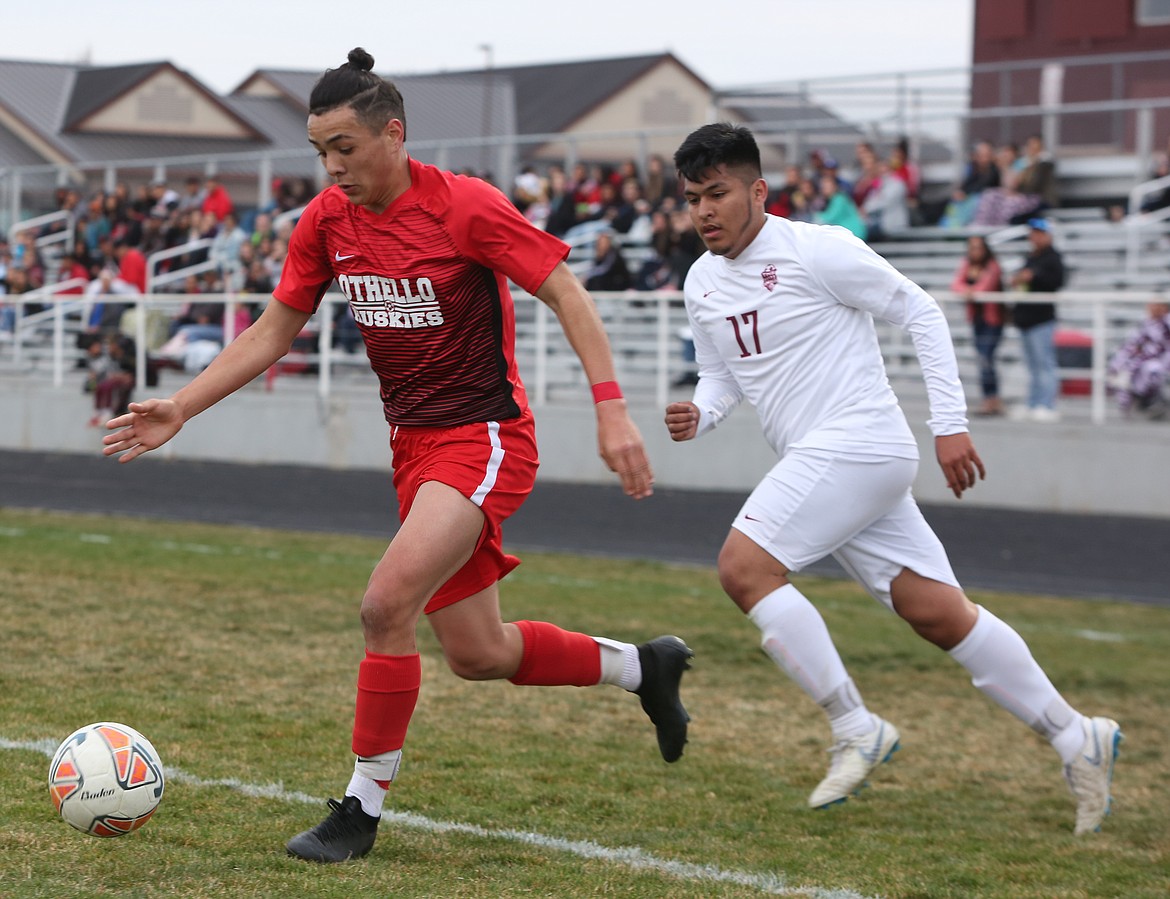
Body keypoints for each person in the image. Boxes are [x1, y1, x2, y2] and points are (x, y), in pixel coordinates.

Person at [101, 47, 692, 864]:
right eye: (320, 151)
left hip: (484, 437)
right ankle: (643, 667)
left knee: (385, 606)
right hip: (413, 450)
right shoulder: (325, 223)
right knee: (479, 653)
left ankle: (360, 808)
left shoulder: (465, 207)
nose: (332, 166)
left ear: (394, 134)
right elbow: (276, 329)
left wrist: (612, 410)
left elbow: (566, 290)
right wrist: (182, 406)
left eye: (344, 147)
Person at [664, 122, 1121, 835]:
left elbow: (921, 308)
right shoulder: (700, 280)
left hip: (859, 442)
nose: (703, 212)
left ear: (757, 190)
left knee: (744, 566)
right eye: (692, 198)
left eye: (717, 194)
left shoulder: (819, 249)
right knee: (937, 612)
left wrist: (950, 422)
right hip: (829, 461)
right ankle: (1076, 736)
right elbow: (723, 376)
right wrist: (700, 411)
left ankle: (856, 726)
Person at [1009, 218, 1065, 422]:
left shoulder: (1052, 258)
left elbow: (1057, 281)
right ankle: (1033, 402)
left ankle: (1046, 404)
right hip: (1026, 318)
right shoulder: (1032, 256)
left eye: (1039, 233)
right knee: (1033, 365)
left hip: (1041, 319)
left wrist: (1033, 277)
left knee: (1044, 364)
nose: (1034, 237)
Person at [950, 236, 1006, 416]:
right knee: (983, 358)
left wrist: (970, 291)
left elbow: (985, 287)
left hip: (993, 319)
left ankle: (992, 397)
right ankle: (989, 398)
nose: (975, 252)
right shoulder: (967, 264)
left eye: (978, 248)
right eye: (972, 248)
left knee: (986, 357)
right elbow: (956, 284)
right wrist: (967, 291)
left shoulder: (992, 266)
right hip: (977, 319)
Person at [1106, 299, 1170, 419]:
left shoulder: (1166, 323)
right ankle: (1139, 401)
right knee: (1120, 365)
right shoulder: (1146, 323)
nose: (1152, 308)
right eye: (1151, 305)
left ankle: (1149, 399)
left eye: (1156, 305)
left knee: (1151, 369)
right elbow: (1133, 343)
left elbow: (1162, 345)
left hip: (1162, 359)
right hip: (1143, 359)